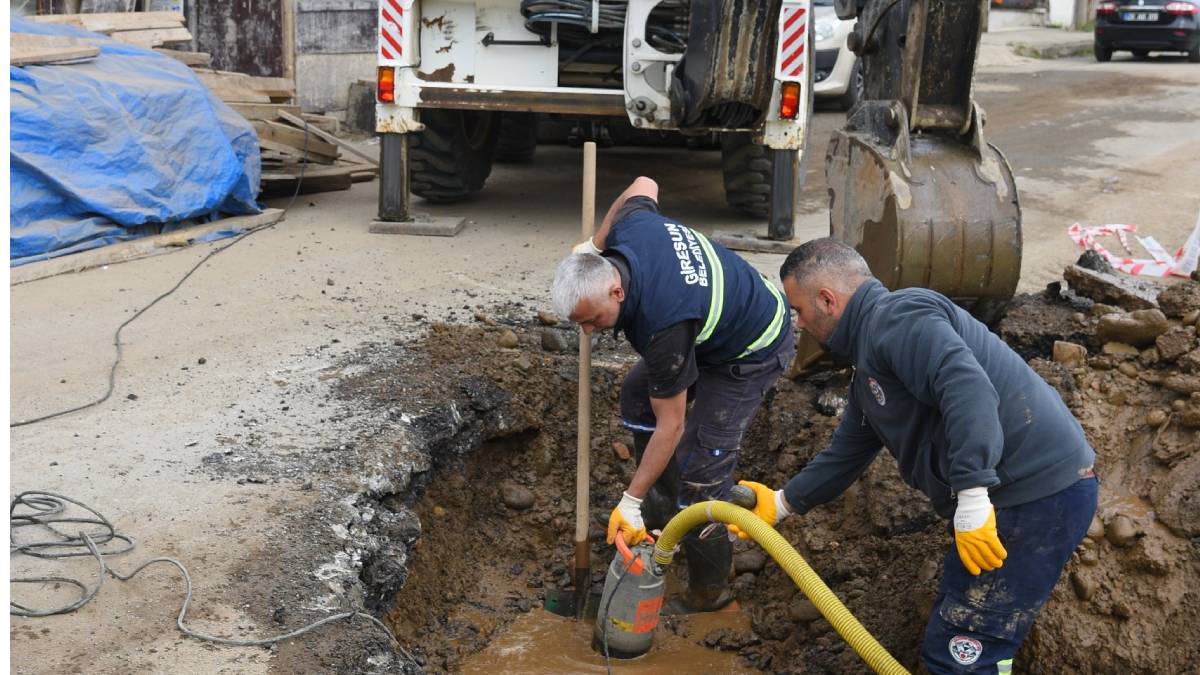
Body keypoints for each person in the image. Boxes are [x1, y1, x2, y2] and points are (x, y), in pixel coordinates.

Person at [731, 238, 1098, 672]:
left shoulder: (899, 318)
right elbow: (846, 452)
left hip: (1035, 495)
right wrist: (782, 503)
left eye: (800, 310)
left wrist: (973, 495)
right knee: (961, 637)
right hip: (1020, 496)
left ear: (827, 300)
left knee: (963, 652)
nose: (800, 323)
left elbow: (968, 388)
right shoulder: (870, 363)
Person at [551, 176, 795, 613]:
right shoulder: (629, 229)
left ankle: (709, 592)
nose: (587, 332)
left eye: (592, 319)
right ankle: (662, 507)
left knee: (701, 482)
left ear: (617, 290)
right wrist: (592, 244)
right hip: (708, 325)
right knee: (636, 393)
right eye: (579, 324)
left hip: (751, 348)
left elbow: (673, 422)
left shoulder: (662, 325)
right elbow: (643, 183)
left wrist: (628, 500)